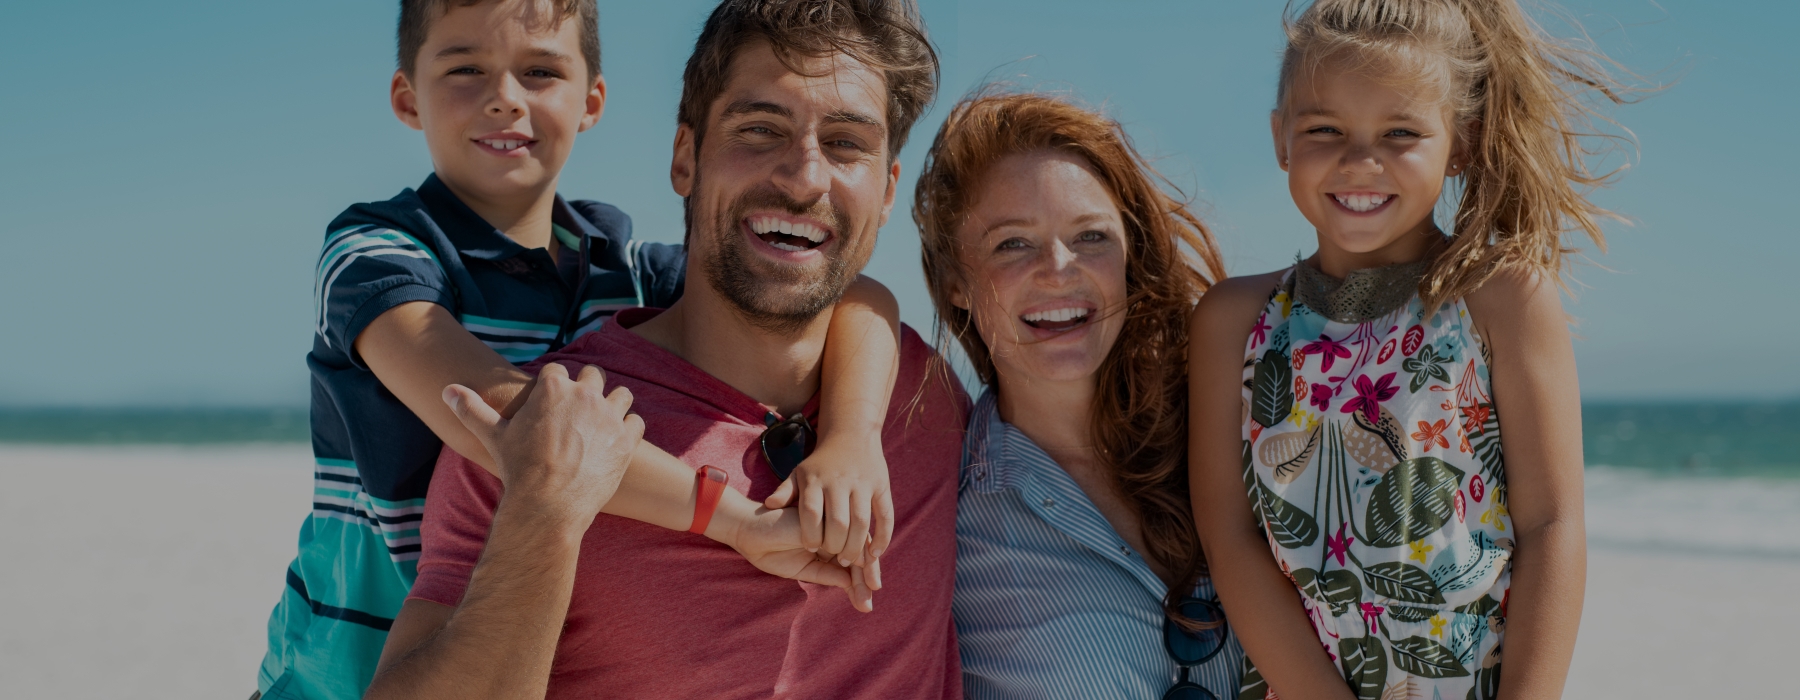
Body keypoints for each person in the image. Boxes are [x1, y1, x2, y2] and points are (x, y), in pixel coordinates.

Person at [259, 1, 907, 697]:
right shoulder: (377, 248)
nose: (504, 98)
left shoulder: (620, 264)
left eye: (539, 70)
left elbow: (853, 297)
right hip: (345, 656)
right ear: (406, 98)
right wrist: (733, 520)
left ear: (592, 100)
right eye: (465, 69)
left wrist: (851, 435)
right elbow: (505, 418)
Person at [1188, 0, 1639, 697]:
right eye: (1324, 129)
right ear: (1280, 138)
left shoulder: (1502, 298)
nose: (1359, 161)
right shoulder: (1233, 320)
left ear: (1460, 140)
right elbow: (1231, 539)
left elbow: (1552, 526)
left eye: (1400, 131)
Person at [913, 89, 1244, 699]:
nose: (1059, 267)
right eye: (1013, 243)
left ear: (1129, 255)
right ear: (955, 282)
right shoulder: (941, 521)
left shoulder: (1237, 430)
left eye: (1091, 236)